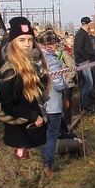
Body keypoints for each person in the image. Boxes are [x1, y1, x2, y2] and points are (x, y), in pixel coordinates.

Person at [0, 16, 60, 188]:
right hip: (23, 138)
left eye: (30, 40)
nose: (26, 44)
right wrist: (32, 117)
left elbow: (34, 97)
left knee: (26, 187)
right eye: (21, 40)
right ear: (12, 42)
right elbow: (3, 107)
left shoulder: (32, 65)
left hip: (33, 137)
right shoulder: (11, 71)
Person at [37, 30, 67, 174]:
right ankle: (47, 164)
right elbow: (58, 83)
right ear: (51, 45)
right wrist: (65, 84)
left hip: (38, 103)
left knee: (41, 134)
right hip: (52, 102)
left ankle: (39, 162)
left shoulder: (34, 57)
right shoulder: (52, 59)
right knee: (51, 134)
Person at [73, 16, 95, 112]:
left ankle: (84, 101)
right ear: (88, 24)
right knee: (89, 82)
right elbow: (78, 48)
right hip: (83, 61)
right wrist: (87, 56)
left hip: (84, 60)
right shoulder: (81, 34)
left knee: (85, 83)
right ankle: (84, 103)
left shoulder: (82, 33)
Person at [56, 42, 77, 137]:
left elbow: (72, 67)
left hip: (67, 84)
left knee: (66, 106)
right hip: (55, 85)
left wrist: (67, 80)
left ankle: (68, 124)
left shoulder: (63, 53)